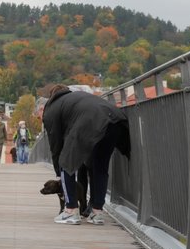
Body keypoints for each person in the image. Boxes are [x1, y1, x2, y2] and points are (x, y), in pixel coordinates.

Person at [40, 84, 130, 225]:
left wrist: (59, 169)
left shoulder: (53, 107)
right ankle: (97, 213)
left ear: (51, 97)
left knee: (65, 164)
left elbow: (55, 143)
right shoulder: (78, 98)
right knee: (100, 166)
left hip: (89, 122)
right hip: (115, 120)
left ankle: (70, 211)